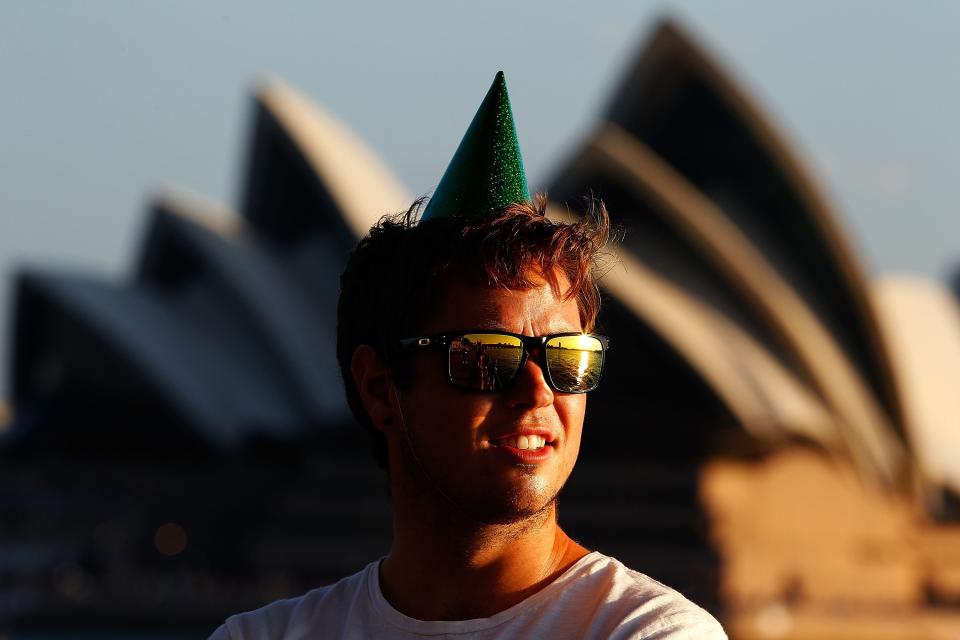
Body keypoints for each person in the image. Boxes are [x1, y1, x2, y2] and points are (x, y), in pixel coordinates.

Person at [210, 72, 726, 639]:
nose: (538, 390)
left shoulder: (644, 631)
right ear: (380, 388)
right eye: (488, 355)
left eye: (568, 357)